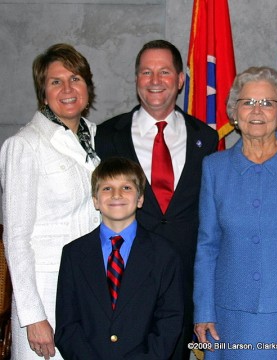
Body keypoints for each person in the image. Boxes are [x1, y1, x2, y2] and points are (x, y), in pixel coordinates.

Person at [95, 39, 218, 359]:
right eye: (146, 72)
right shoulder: (108, 135)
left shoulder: (206, 137)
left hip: (182, 285)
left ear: (180, 80)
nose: (154, 80)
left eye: (164, 72)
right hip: (122, 284)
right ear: (136, 80)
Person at [193, 66, 277, 359]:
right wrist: (204, 309)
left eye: (267, 102)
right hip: (227, 318)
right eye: (248, 102)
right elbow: (207, 245)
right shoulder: (214, 167)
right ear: (234, 113)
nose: (257, 110)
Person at [0, 43, 100, 360]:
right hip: (47, 296)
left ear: (88, 87)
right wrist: (32, 316)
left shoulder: (100, 139)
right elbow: (15, 237)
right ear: (43, 93)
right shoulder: (24, 145)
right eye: (56, 81)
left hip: (93, 291)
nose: (67, 89)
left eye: (75, 78)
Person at [55, 156, 184, 359]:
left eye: (126, 187)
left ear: (140, 199)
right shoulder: (74, 254)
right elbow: (67, 326)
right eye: (107, 188)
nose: (116, 194)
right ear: (96, 200)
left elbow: (169, 322)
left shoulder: (165, 255)